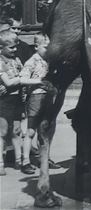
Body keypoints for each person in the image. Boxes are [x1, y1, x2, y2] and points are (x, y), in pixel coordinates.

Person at [0, 30, 41, 175]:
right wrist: (21, 80)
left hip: (17, 99)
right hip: (4, 101)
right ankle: (0, 163)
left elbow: (22, 74)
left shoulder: (16, 60)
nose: (15, 50)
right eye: (11, 47)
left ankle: (19, 160)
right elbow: (9, 82)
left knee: (17, 131)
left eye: (16, 46)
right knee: (3, 131)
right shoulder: (0, 62)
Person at [20, 35, 50, 175]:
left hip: (48, 97)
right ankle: (25, 160)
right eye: (45, 47)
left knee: (43, 130)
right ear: (36, 47)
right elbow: (22, 79)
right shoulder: (32, 61)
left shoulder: (49, 60)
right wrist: (38, 81)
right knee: (31, 131)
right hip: (36, 97)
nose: (48, 50)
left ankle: (43, 159)